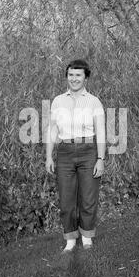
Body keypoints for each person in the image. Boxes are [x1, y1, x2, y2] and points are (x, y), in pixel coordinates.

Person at [45, 59, 106, 253]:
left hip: (88, 151)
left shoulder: (94, 101)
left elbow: (101, 132)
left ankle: (87, 237)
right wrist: (49, 156)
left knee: (88, 198)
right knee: (66, 199)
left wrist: (101, 159)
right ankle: (70, 239)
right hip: (64, 152)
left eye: (78, 75)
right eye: (71, 75)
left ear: (85, 78)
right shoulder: (58, 101)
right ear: (67, 77)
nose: (74, 78)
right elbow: (52, 130)